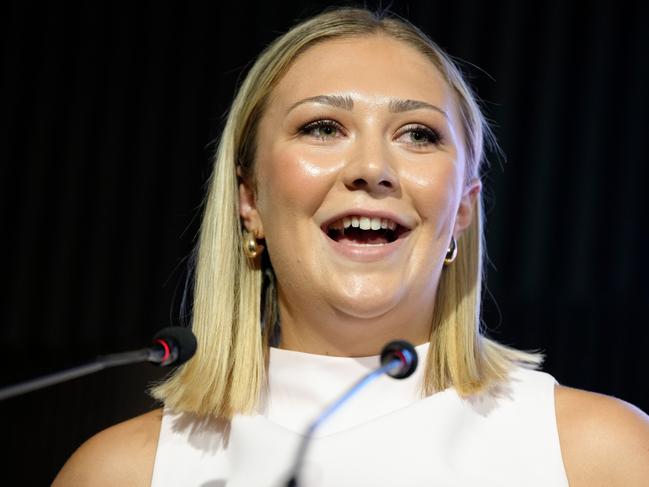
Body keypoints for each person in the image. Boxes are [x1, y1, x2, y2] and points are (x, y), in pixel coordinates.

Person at [53, 6, 649, 486]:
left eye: (418, 134)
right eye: (322, 128)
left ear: (463, 207)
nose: (371, 167)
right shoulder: (120, 472)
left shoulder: (604, 455)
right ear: (249, 199)